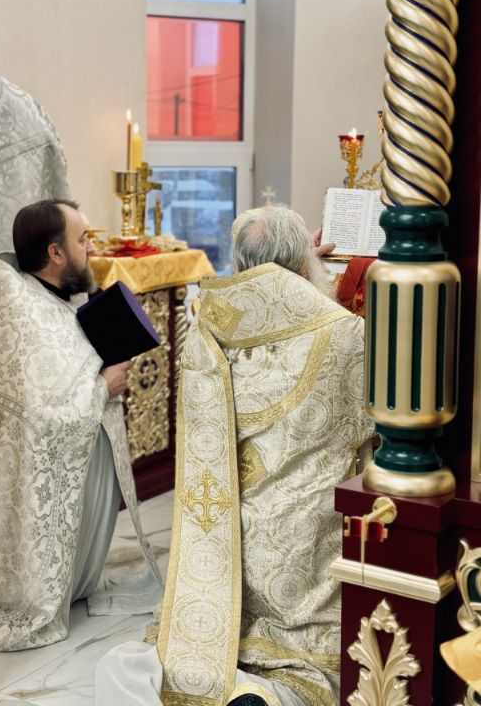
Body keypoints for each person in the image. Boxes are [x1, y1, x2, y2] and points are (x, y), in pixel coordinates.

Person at [96, 205, 374, 706]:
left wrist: (296, 261)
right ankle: (270, 694)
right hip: (304, 552)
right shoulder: (346, 335)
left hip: (222, 540)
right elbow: (377, 427)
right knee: (308, 672)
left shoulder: (207, 325)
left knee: (169, 657)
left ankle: (234, 683)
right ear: (304, 262)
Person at [0, 199, 162, 651]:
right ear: (56, 252)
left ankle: (75, 582)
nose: (91, 248)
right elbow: (42, 414)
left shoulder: (52, 295)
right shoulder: (24, 312)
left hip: (86, 441)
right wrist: (102, 387)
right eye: (82, 239)